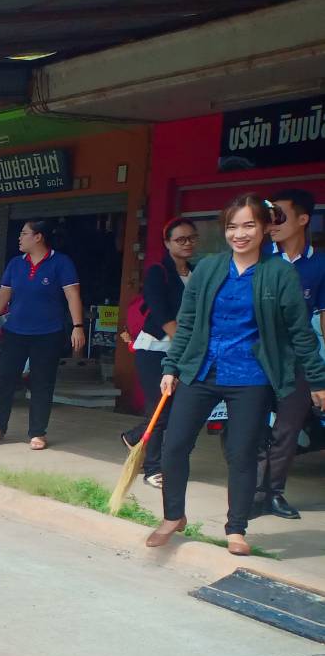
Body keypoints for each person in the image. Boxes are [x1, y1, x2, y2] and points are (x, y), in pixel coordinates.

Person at [149, 194, 325, 557]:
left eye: (248, 225)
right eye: (232, 226)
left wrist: (318, 379)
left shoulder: (279, 274)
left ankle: (236, 528)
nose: (239, 234)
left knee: (242, 454)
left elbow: (299, 331)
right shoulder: (210, 268)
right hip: (201, 371)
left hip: (250, 377)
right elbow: (187, 325)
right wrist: (171, 368)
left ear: (263, 228)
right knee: (175, 444)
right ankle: (172, 516)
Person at [0, 220, 85, 449]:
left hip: (48, 333)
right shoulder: (16, 264)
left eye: (24, 233)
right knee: (5, 378)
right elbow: (2, 296)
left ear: (38, 237)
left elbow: (73, 295)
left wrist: (78, 326)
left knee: (41, 383)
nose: (19, 238)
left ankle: (37, 433)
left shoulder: (61, 263)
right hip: (15, 331)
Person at [254, 188, 325, 519]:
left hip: (297, 360)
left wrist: (320, 375)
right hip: (255, 358)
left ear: (303, 219)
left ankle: (274, 494)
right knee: (251, 426)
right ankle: (251, 493)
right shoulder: (259, 258)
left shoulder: (320, 265)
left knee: (287, 429)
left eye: (280, 215)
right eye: (270, 217)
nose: (273, 222)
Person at [121, 218, 198, 487]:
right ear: (167, 243)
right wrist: (184, 346)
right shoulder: (158, 271)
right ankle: (152, 468)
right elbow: (162, 312)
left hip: (183, 350)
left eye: (191, 238)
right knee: (160, 409)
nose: (187, 243)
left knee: (175, 409)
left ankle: (134, 437)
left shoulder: (196, 272)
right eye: (180, 239)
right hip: (156, 349)